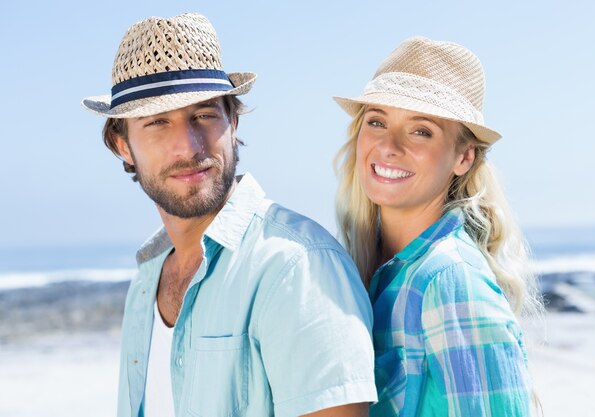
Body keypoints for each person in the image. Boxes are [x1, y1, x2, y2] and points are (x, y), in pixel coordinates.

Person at [81, 13, 377, 417]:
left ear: (233, 121)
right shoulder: (146, 279)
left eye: (204, 115)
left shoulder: (297, 267)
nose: (187, 146)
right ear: (123, 145)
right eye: (157, 123)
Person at [333, 37, 543, 416]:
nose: (388, 146)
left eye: (421, 130)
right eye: (377, 121)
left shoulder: (450, 281)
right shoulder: (370, 273)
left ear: (464, 157)